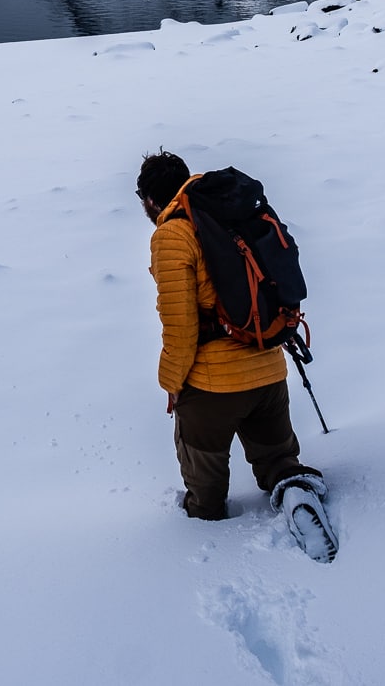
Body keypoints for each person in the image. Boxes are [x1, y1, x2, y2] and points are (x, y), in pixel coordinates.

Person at [137, 148, 335, 553]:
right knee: (279, 461)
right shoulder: (230, 214)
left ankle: (210, 546)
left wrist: (171, 384)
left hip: (213, 389)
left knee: (205, 495)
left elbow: (179, 327)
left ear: (151, 200)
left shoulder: (172, 234)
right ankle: (294, 492)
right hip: (268, 369)